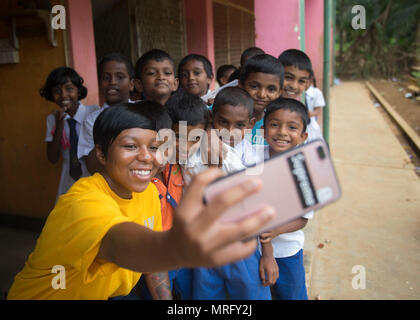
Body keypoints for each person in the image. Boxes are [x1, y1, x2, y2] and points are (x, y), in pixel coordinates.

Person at [7, 101, 275, 300]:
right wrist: (175, 246)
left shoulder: (148, 192)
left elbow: (151, 264)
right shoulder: (81, 203)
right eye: (130, 146)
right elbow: (122, 244)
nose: (147, 157)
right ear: (100, 153)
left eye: (156, 147)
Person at [191, 87, 271, 300]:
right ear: (211, 118)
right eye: (223, 122)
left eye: (239, 125)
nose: (229, 131)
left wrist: (267, 253)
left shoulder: (255, 158)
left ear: (251, 124)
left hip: (243, 245)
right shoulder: (198, 149)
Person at [260, 97, 313, 300]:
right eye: (274, 125)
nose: (282, 132)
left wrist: (276, 230)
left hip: (288, 250)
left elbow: (303, 218)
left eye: (291, 127)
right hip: (254, 250)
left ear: (303, 136)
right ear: (263, 130)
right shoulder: (252, 160)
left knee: (291, 295)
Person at [41, 67, 99, 200]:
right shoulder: (52, 119)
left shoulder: (93, 113)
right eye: (56, 91)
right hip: (68, 179)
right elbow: (52, 158)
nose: (63, 95)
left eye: (69, 89)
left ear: (78, 91)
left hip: (92, 175)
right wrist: (59, 126)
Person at [77, 53, 135, 174]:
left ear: (131, 84)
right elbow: (92, 168)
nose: (112, 82)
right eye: (106, 78)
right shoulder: (92, 121)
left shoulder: (143, 111)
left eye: (120, 77)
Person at [238, 54, 284, 146]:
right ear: (241, 85)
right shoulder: (217, 112)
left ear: (279, 92)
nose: (262, 95)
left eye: (271, 89)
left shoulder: (279, 126)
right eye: (254, 86)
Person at [278, 49, 322, 142]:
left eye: (301, 81)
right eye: (288, 77)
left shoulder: (297, 112)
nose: (294, 86)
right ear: (277, 74)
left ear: (307, 83)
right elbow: (255, 144)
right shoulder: (263, 109)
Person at [305, 71, 325, 141]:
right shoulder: (297, 93)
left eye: (304, 80)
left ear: (311, 80)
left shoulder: (316, 92)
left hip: (311, 124)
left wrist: (309, 114)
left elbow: (318, 111)